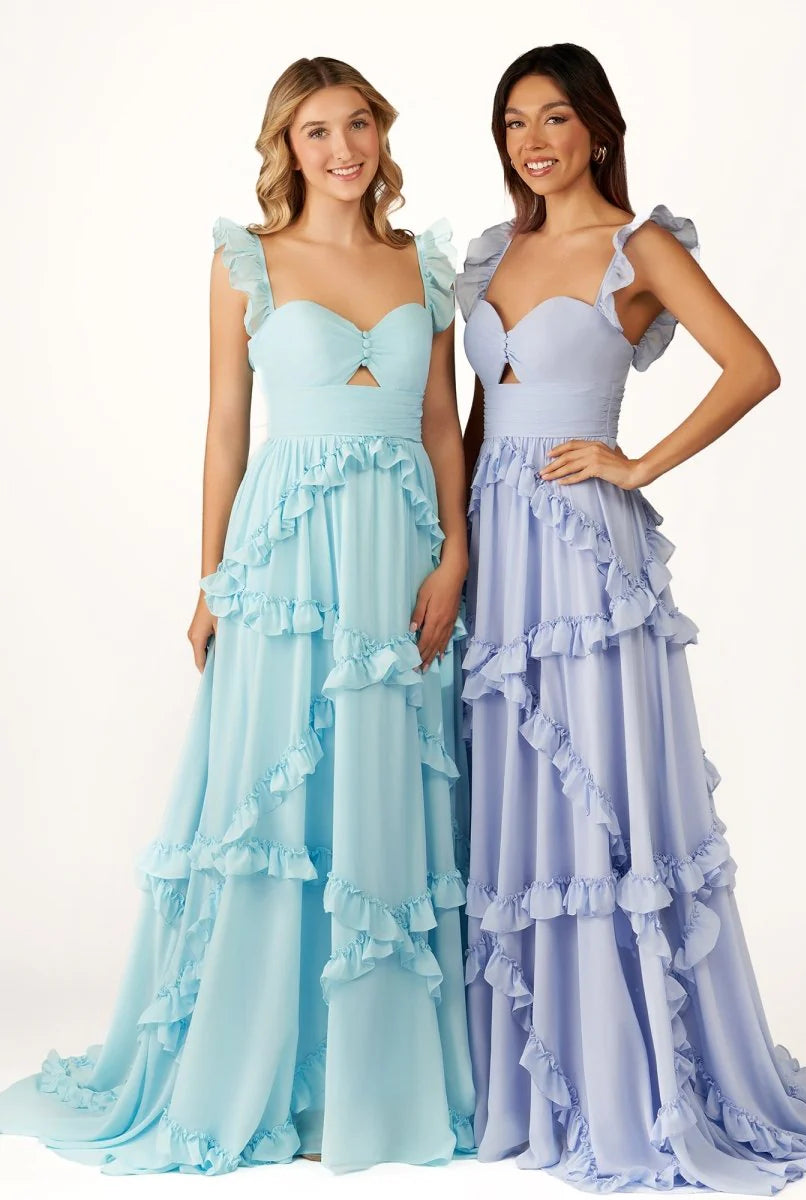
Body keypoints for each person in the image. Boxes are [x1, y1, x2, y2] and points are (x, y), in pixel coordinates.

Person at [0, 54, 475, 1175]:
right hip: (286, 559)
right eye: (316, 132)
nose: (342, 149)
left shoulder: (424, 263)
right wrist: (211, 579)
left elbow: (441, 425)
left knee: (380, 786)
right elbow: (225, 425)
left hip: (398, 552)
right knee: (274, 792)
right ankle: (256, 1063)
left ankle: (372, 1083)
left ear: (381, 134)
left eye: (357, 125)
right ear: (286, 148)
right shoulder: (246, 261)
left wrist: (456, 555)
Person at [458, 41, 806, 1195]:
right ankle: (520, 1077)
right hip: (495, 552)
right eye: (514, 122)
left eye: (555, 118)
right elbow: (474, 419)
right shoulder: (494, 251)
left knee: (594, 792)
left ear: (598, 128)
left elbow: (751, 366)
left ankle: (626, 1076)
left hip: (580, 559)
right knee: (510, 788)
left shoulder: (639, 245)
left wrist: (635, 461)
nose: (533, 141)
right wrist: (447, 543)